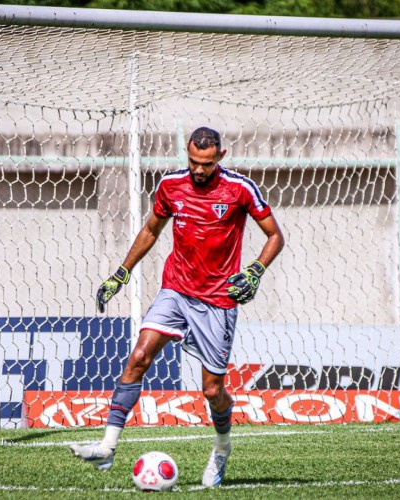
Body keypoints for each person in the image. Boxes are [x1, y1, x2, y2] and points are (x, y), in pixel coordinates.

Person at [71, 126, 285, 487]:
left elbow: (275, 235)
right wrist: (120, 274)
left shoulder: (240, 189)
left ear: (221, 156)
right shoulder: (172, 186)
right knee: (139, 355)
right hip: (176, 290)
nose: (198, 170)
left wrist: (256, 270)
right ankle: (107, 447)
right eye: (192, 162)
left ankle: (221, 449)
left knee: (213, 390)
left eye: (205, 163)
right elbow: (151, 230)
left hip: (218, 300)